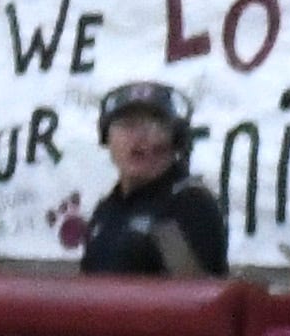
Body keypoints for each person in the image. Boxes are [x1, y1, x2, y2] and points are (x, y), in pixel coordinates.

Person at [73, 77, 234, 279]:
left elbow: (195, 297)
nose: (140, 137)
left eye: (155, 125)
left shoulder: (189, 204)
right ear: (107, 138)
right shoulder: (106, 210)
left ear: (175, 139)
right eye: (128, 125)